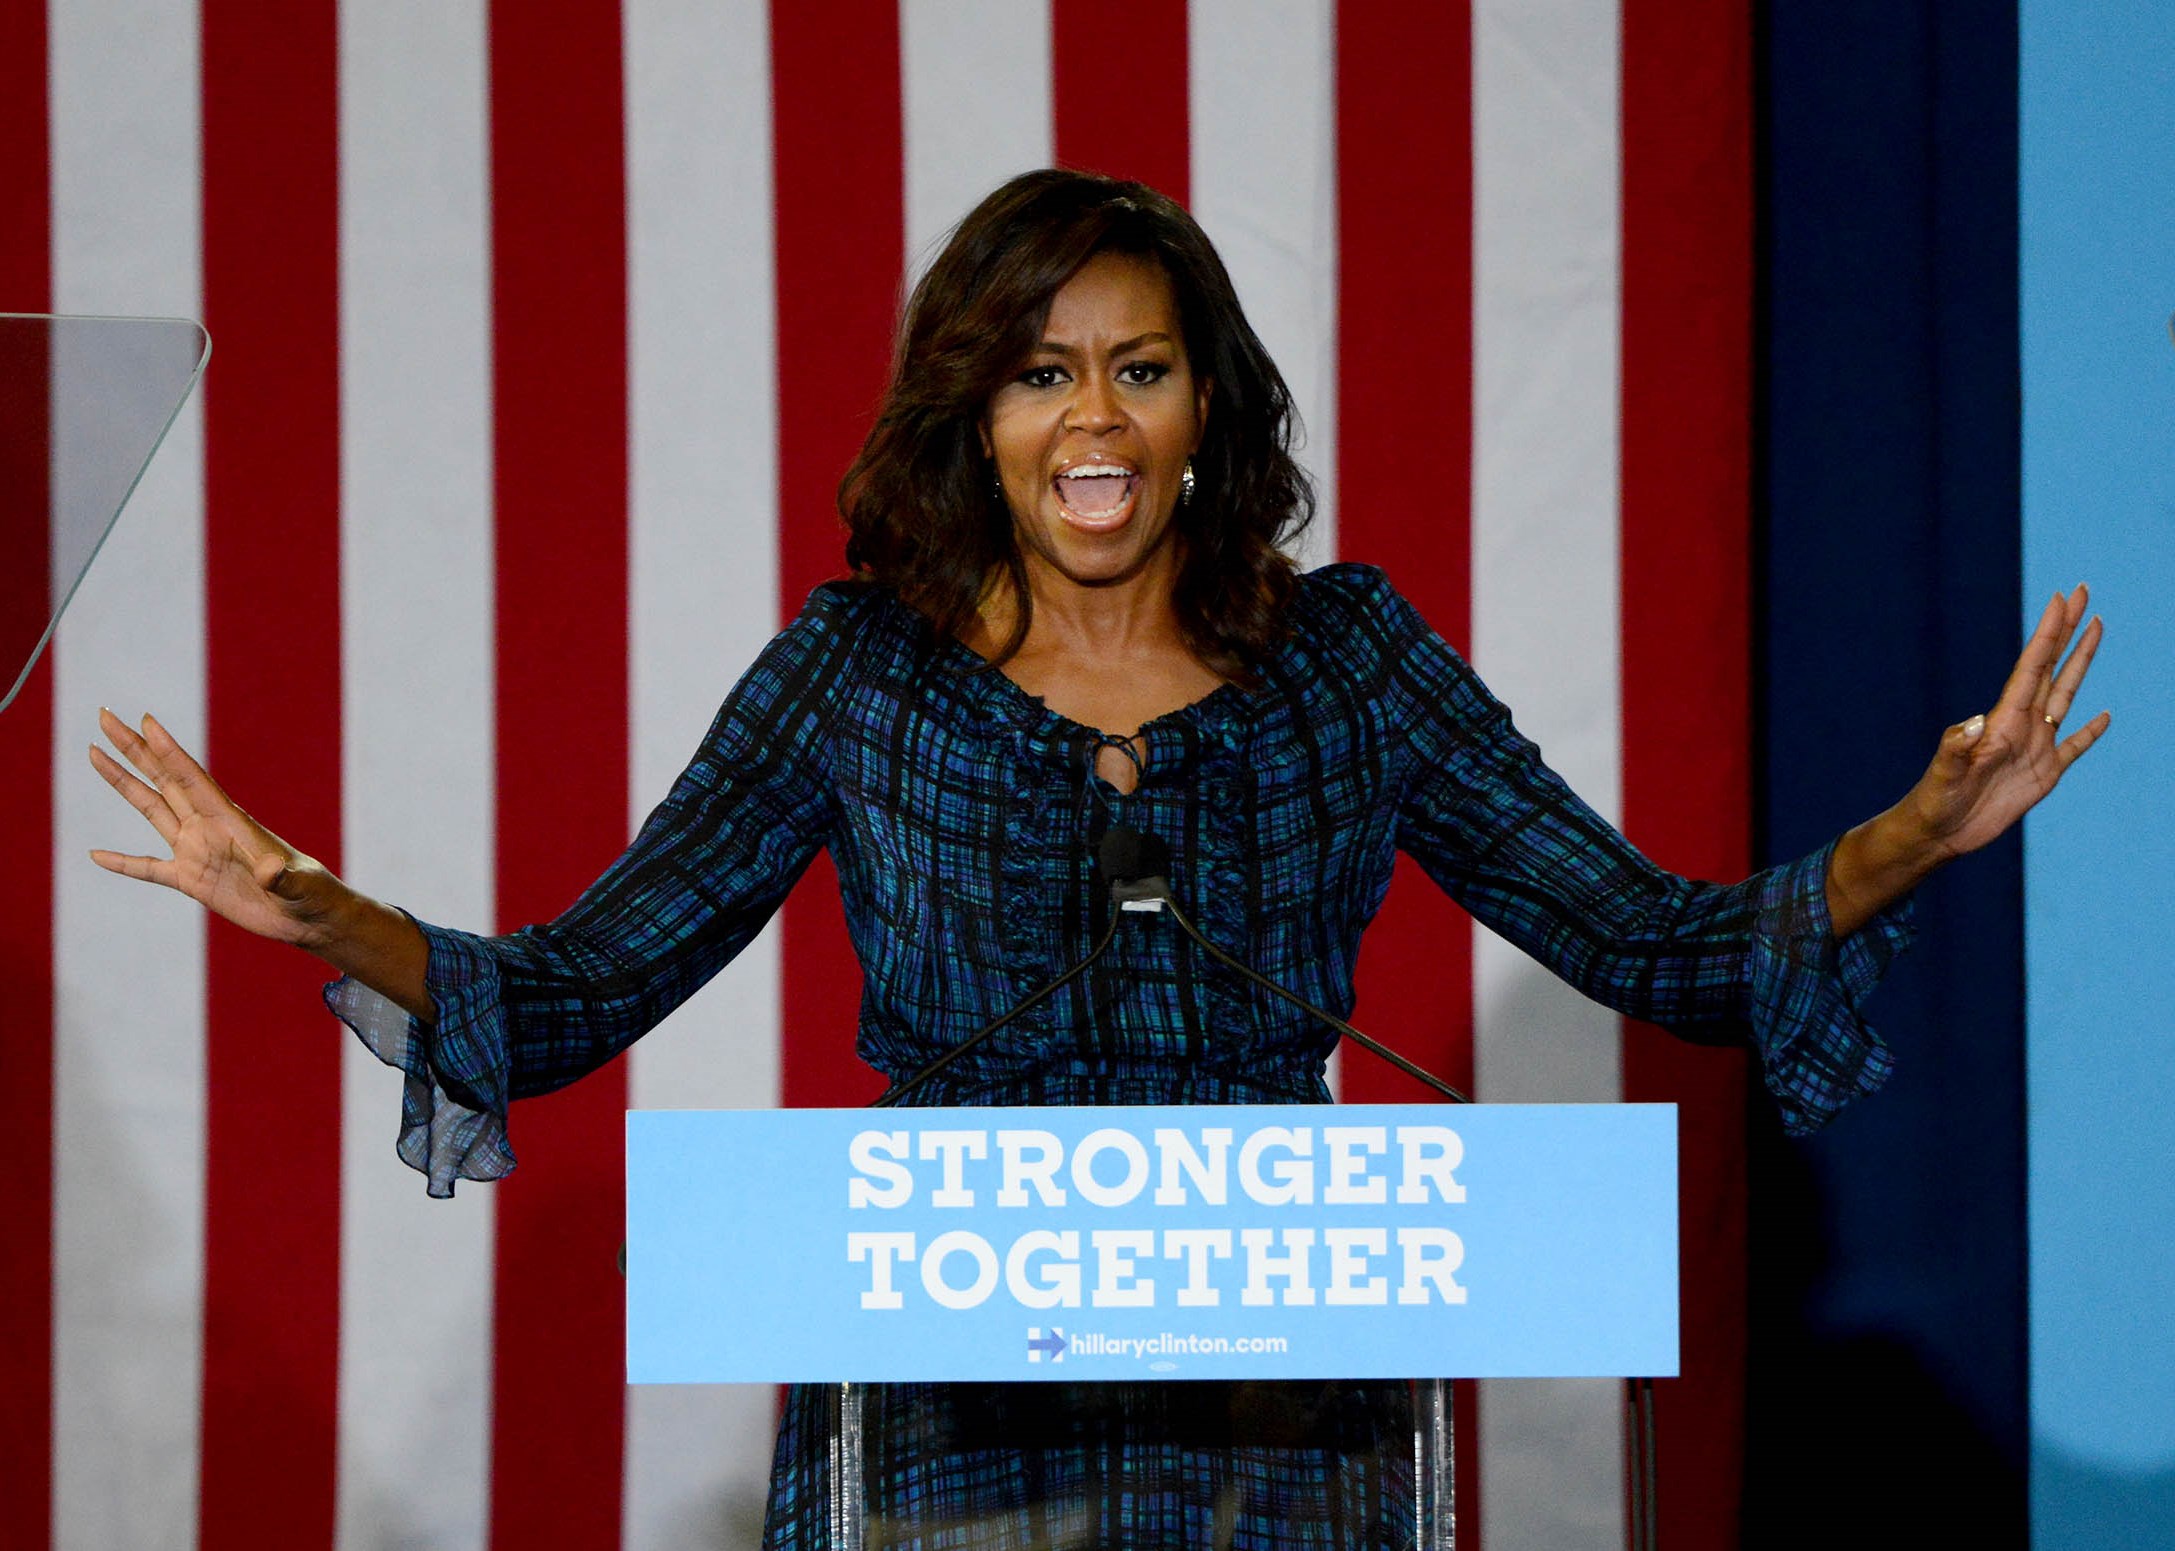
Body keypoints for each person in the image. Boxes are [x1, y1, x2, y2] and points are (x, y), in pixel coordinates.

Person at [88, 170, 2107, 1547]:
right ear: (971, 412)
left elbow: (1655, 944)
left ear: (1205, 405)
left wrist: (1912, 829)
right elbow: (579, 982)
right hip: (949, 1445)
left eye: (1138, 368)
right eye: (1040, 369)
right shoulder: (857, 674)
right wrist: (316, 908)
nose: (1092, 417)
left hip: (1285, 1440)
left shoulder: (1350, 662)